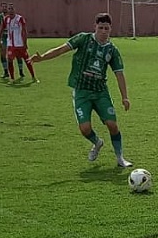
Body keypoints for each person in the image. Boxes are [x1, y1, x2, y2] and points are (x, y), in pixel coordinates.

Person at [28, 13, 133, 167]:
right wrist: (43, 57)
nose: (103, 31)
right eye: (100, 27)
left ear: (110, 29)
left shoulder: (112, 50)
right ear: (95, 27)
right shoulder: (83, 39)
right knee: (85, 129)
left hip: (100, 92)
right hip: (81, 91)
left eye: (106, 28)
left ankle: (120, 158)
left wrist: (125, 97)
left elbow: (119, 74)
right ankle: (97, 143)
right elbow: (61, 49)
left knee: (112, 125)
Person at [0, 3, 36, 83]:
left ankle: (33, 77)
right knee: (10, 60)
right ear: (8, 10)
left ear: (15, 10)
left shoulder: (20, 18)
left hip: (20, 44)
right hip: (11, 45)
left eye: (12, 9)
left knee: (27, 60)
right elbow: (1, 29)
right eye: (9, 9)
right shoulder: (6, 19)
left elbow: (24, 31)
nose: (11, 10)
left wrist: (25, 43)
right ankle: (12, 78)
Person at [0, 2, 25, 79]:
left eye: (5, 7)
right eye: (3, 7)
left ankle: (21, 71)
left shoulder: (14, 17)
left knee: (18, 55)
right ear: (1, 8)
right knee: (3, 54)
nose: (4, 8)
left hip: (13, 37)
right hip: (4, 37)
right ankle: (6, 71)